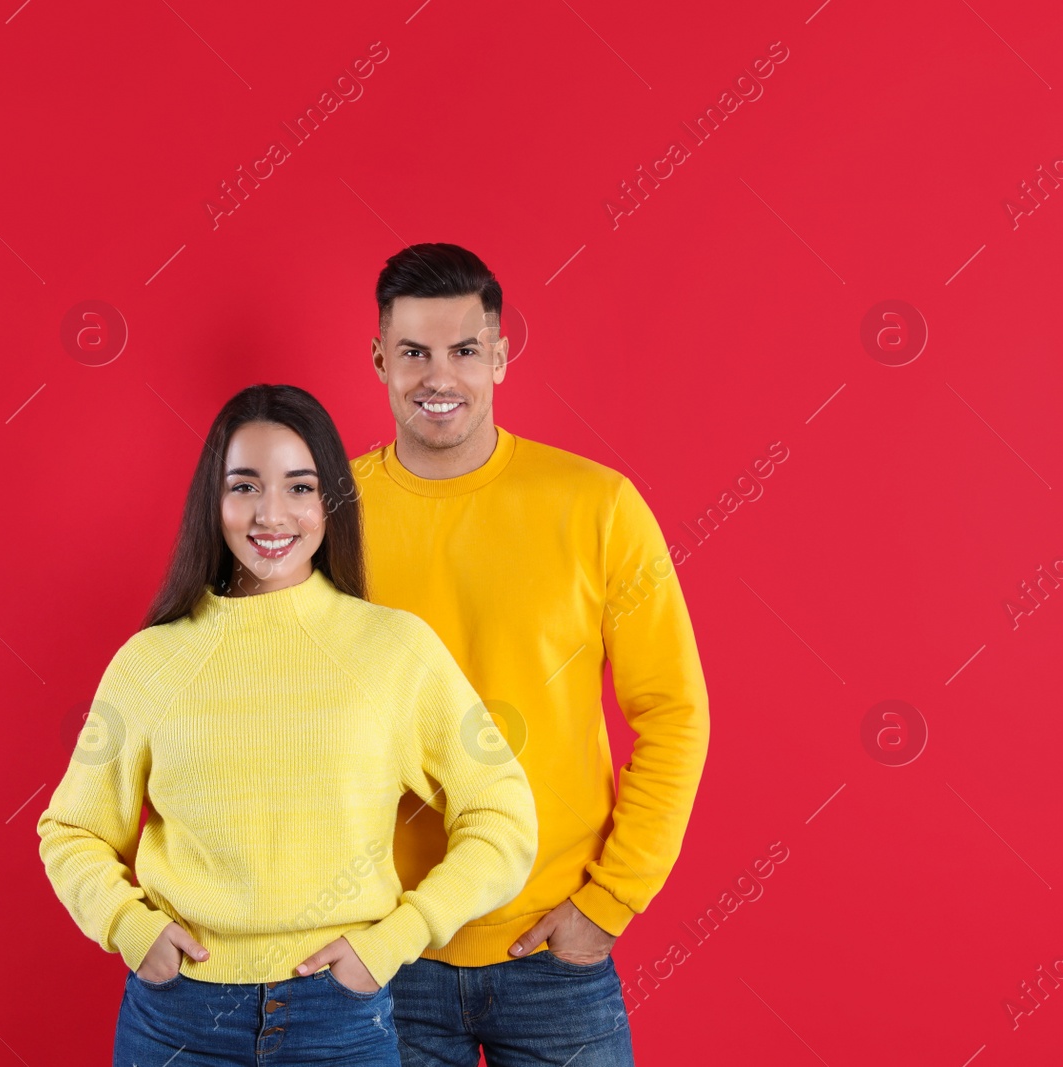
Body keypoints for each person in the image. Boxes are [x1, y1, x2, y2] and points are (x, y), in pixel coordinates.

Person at [37, 383, 540, 1066]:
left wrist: (397, 937)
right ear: (211, 503)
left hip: (339, 1014)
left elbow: (502, 816)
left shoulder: (394, 649)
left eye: (300, 487)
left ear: (330, 500)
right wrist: (128, 925)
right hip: (180, 1019)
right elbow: (72, 829)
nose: (271, 514)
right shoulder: (150, 659)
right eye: (244, 486)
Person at [349, 243, 711, 1066]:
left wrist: (611, 901)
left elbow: (676, 713)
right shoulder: (326, 512)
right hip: (386, 949)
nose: (439, 376)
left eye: (464, 351)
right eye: (413, 353)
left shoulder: (598, 506)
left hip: (552, 952)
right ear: (378, 360)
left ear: (500, 357)